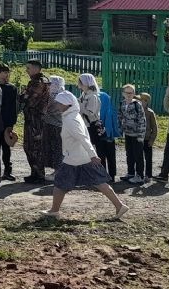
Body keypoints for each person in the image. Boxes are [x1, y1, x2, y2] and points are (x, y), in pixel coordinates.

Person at [45, 91, 130, 220]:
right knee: (99, 183)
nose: (56, 105)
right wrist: (91, 155)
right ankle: (120, 206)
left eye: (59, 102)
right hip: (78, 157)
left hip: (75, 158)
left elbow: (83, 138)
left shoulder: (71, 119)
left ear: (67, 104)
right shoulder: (72, 115)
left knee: (60, 183)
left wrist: (93, 155)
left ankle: (54, 210)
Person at [21, 59, 52, 183]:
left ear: (35, 68)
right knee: (29, 146)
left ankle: (39, 175)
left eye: (28, 68)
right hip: (31, 118)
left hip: (36, 119)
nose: (27, 70)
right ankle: (34, 173)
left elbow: (28, 100)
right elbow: (23, 97)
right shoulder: (35, 82)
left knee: (35, 148)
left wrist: (24, 95)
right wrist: (24, 96)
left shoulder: (39, 82)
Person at [118, 84, 147, 183]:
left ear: (134, 93)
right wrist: (120, 130)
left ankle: (140, 176)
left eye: (131, 93)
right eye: (127, 93)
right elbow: (120, 117)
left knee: (138, 155)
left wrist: (140, 135)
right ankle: (130, 173)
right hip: (128, 133)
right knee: (129, 154)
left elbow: (142, 120)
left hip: (137, 135)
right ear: (123, 93)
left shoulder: (137, 104)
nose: (129, 95)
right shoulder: (122, 103)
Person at [0, 64, 18, 181]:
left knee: (6, 148)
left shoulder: (12, 88)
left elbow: (13, 107)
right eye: (3, 72)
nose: (6, 74)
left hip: (6, 123)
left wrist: (11, 123)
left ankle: (7, 171)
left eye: (7, 72)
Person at [44, 75, 66, 174]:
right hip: (52, 124)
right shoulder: (54, 95)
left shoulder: (59, 96)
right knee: (54, 148)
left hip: (57, 125)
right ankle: (57, 170)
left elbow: (55, 110)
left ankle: (59, 171)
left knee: (58, 148)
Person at [139, 92, 157, 181]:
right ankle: (139, 174)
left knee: (148, 158)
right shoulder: (136, 111)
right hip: (138, 139)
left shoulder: (150, 113)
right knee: (138, 158)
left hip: (147, 139)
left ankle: (148, 175)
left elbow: (154, 127)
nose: (140, 102)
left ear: (146, 102)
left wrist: (152, 140)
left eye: (142, 101)